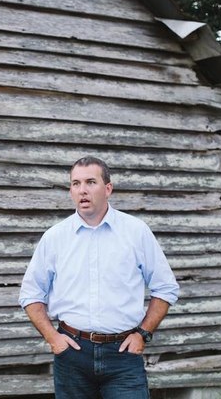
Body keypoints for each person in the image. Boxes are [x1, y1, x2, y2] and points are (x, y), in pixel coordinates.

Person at [19, 156, 179, 399]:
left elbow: (165, 288)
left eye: (90, 182)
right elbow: (30, 294)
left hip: (123, 354)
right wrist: (53, 338)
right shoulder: (55, 238)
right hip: (72, 353)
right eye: (75, 183)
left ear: (108, 189)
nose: (82, 190)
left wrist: (143, 334)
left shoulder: (136, 232)